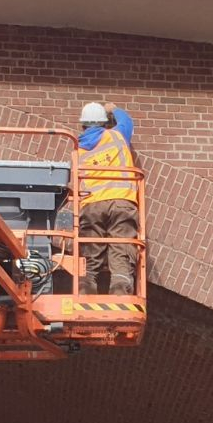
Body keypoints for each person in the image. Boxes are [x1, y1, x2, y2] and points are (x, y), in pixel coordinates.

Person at [75, 101, 140, 296]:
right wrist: (114, 109)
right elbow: (127, 121)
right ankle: (120, 285)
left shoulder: (77, 149)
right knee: (121, 243)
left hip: (91, 204)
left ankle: (86, 285)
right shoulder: (117, 135)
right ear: (104, 123)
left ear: (83, 126)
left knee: (91, 246)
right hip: (121, 200)